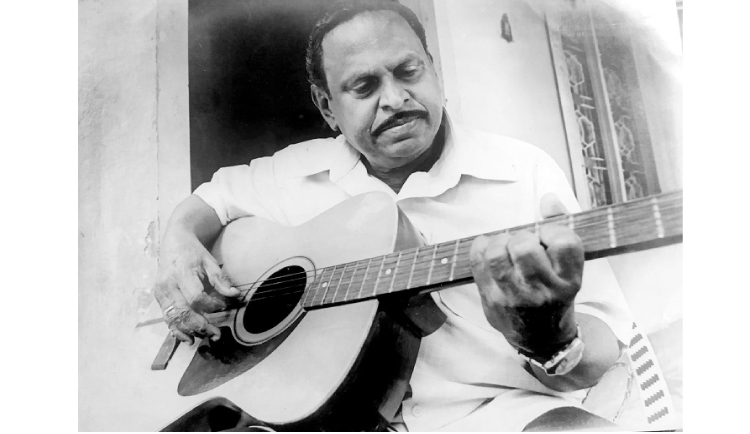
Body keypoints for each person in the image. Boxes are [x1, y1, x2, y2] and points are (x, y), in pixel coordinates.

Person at [152, 0, 632, 431]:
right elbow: (211, 200)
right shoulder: (293, 171)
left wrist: (548, 336)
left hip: (499, 414)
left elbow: (601, 354)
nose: (395, 98)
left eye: (408, 71)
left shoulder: (523, 172)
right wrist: (178, 246)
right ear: (327, 107)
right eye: (364, 86)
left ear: (434, 71)